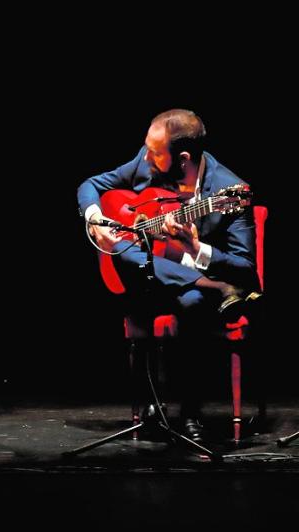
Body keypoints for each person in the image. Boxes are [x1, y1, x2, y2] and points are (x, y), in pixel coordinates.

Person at [77, 108, 262, 440]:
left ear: (183, 158)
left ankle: (189, 414)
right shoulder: (146, 162)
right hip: (149, 276)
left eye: (155, 152)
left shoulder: (229, 191)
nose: (145, 157)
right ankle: (212, 287)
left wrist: (196, 250)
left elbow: (246, 269)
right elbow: (90, 184)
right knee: (123, 249)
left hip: (185, 283)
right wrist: (95, 219)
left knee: (191, 301)